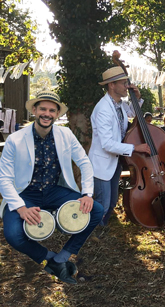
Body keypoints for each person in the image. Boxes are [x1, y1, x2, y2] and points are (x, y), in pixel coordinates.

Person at [0, 90, 104, 284]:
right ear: (34, 110)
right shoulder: (15, 139)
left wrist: (87, 193)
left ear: (57, 114)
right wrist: (20, 208)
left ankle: (62, 258)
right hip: (25, 194)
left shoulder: (66, 134)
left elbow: (84, 162)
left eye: (51, 110)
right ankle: (49, 258)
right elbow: (4, 178)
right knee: (13, 234)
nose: (46, 114)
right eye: (42, 109)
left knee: (96, 210)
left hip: (54, 190)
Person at [89, 66, 151, 227]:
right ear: (111, 85)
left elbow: (131, 114)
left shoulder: (118, 103)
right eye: (124, 83)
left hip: (115, 161)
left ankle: (101, 230)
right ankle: (92, 234)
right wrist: (135, 148)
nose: (127, 87)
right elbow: (107, 143)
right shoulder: (103, 109)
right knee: (102, 204)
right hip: (102, 164)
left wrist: (137, 99)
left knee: (111, 202)